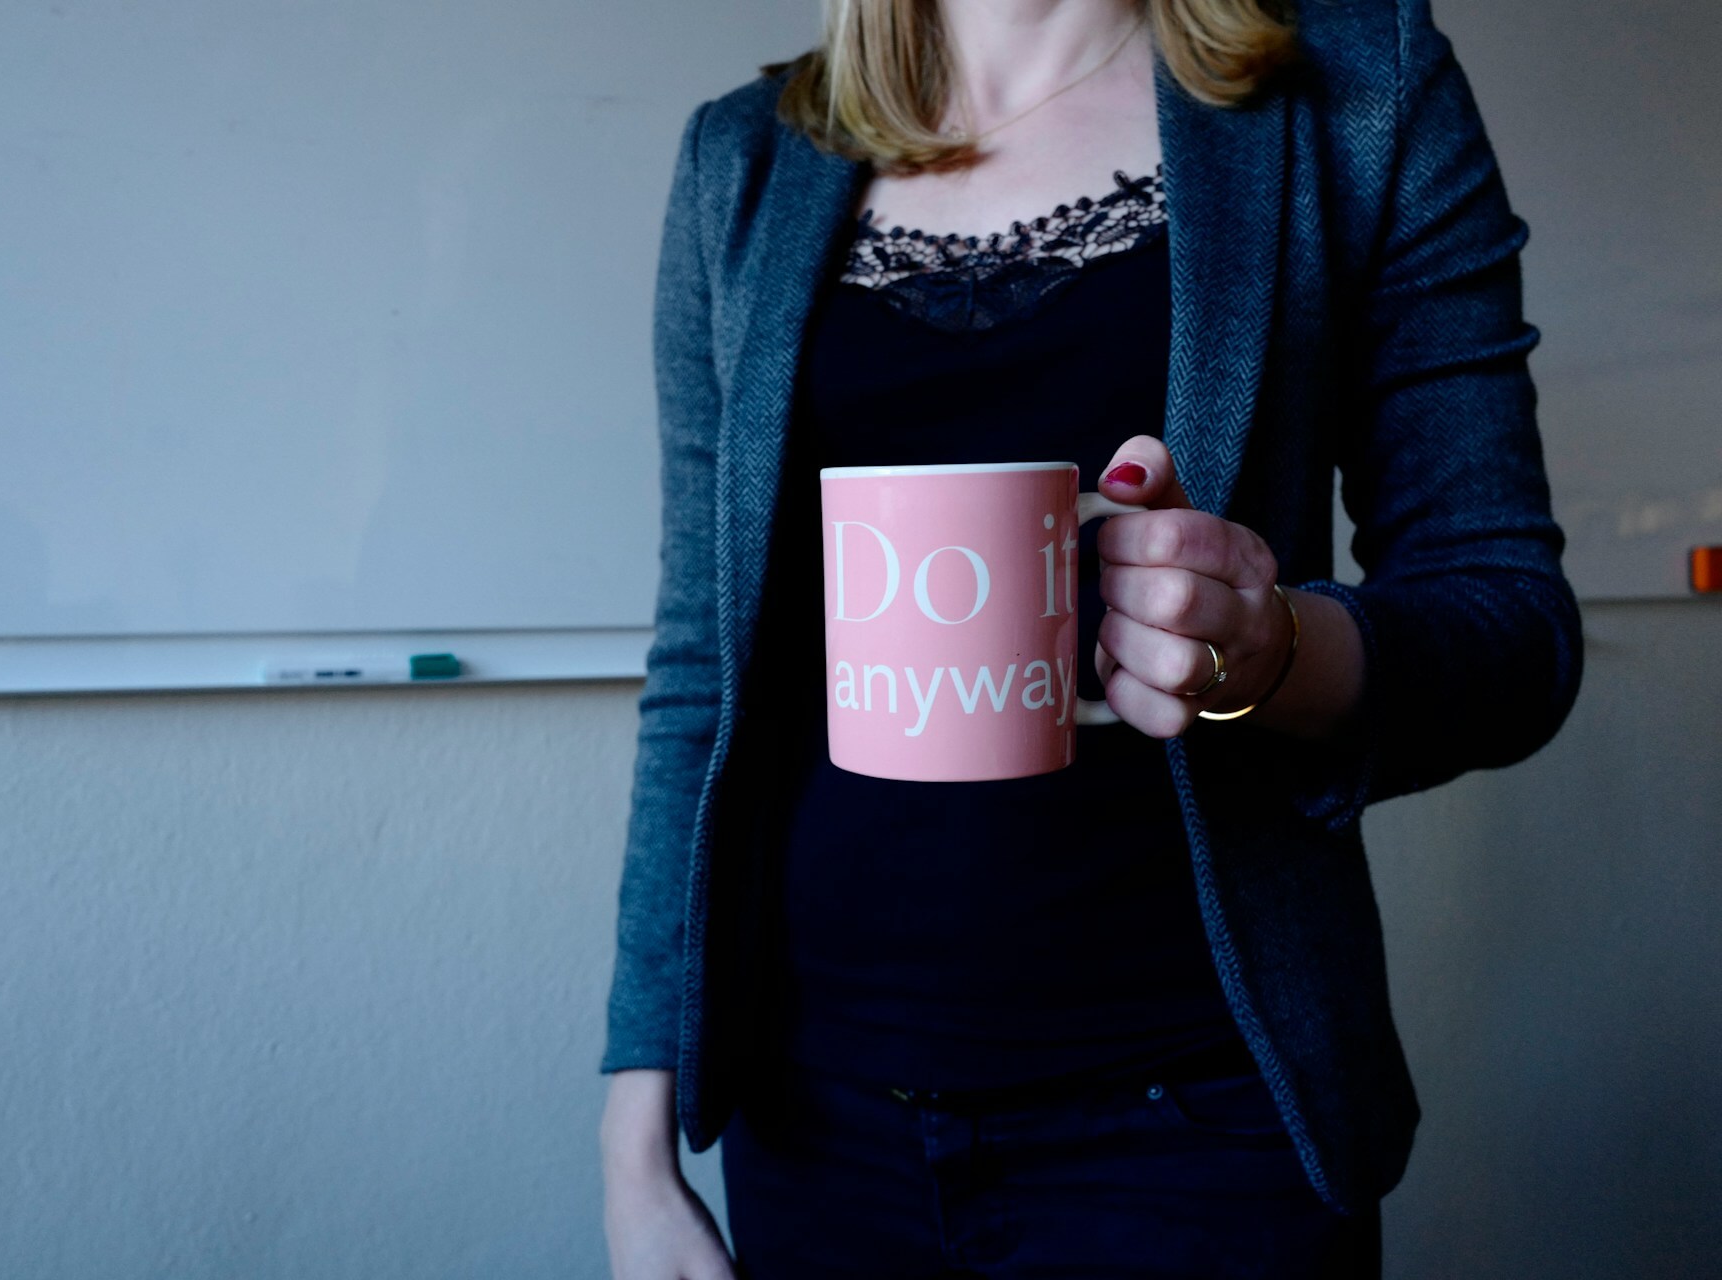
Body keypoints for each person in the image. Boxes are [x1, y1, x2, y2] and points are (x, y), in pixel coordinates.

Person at [599, 0, 1583, 1274]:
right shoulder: (740, 159)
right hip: (813, 1122)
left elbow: (1511, 624)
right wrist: (635, 1143)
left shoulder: (1359, 86)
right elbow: (703, 670)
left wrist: (1273, 653)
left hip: (1203, 1127)